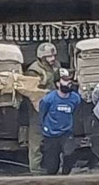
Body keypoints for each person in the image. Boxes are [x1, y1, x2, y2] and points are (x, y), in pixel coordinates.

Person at [25, 42, 60, 174]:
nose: (52, 59)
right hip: (38, 107)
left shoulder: (56, 66)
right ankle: (35, 169)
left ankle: (55, 167)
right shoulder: (34, 70)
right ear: (41, 57)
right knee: (36, 139)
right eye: (49, 57)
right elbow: (31, 91)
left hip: (55, 106)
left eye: (53, 56)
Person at [39, 68, 81, 175]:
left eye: (69, 80)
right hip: (51, 134)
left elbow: (76, 112)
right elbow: (42, 114)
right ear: (58, 83)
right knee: (52, 165)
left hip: (67, 132)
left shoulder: (75, 98)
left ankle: (65, 178)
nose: (69, 83)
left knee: (70, 155)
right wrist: (45, 128)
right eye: (65, 80)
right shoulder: (48, 99)